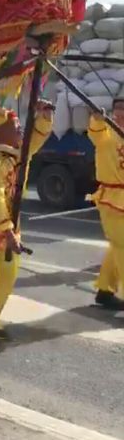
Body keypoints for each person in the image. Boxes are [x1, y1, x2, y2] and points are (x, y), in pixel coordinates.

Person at [0, 103, 53, 357]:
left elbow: (37, 138)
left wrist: (44, 118)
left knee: (8, 276)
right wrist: (7, 233)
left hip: (9, 228)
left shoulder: (18, 156)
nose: (20, 132)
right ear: (1, 133)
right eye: (16, 128)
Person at [88, 100, 124, 310]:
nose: (120, 115)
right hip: (112, 197)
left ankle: (105, 290)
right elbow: (95, 131)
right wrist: (97, 119)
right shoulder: (106, 131)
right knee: (122, 246)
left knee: (118, 247)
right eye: (118, 111)